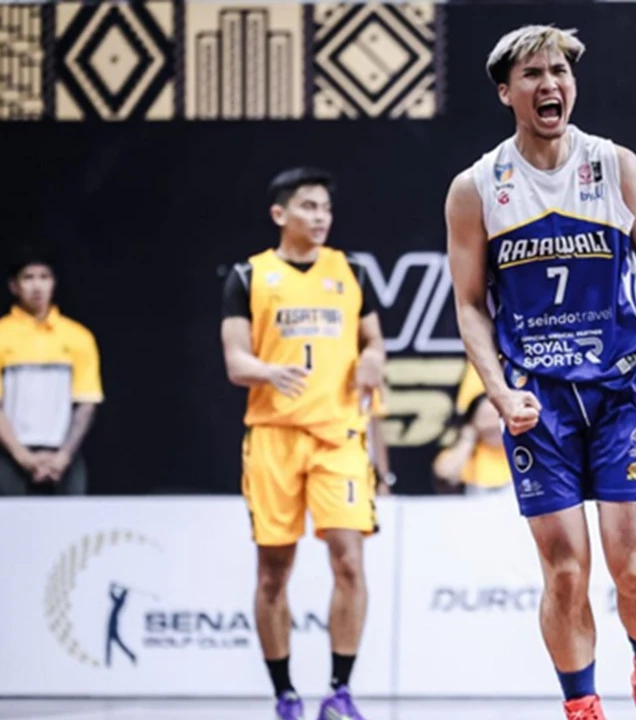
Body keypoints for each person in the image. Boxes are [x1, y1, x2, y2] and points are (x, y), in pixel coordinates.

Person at [444, 25, 636, 720]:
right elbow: (468, 304)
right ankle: (582, 708)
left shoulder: (614, 165)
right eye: (533, 75)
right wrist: (498, 392)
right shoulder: (476, 188)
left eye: (560, 72)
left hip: (618, 391)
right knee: (565, 571)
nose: (551, 84)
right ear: (506, 92)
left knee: (631, 570)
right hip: (538, 402)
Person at [220, 167, 385, 720]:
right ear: (280, 214)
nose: (320, 217)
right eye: (309, 207)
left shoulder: (350, 270)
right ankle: (285, 694)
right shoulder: (249, 276)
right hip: (273, 437)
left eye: (325, 208)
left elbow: (374, 341)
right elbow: (235, 360)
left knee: (349, 562)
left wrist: (371, 359)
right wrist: (267, 371)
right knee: (273, 570)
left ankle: (339, 692)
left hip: (339, 436)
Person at [0, 247, 102, 496]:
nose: (37, 286)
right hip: (10, 457)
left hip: (64, 458)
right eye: (28, 278)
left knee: (71, 521)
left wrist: (63, 456)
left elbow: (86, 403)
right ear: (14, 286)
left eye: (44, 277)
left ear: (54, 283)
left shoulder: (79, 337)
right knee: (10, 521)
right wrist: (23, 457)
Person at [432, 393, 514, 495]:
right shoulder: (464, 452)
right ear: (472, 420)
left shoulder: (520, 449)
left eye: (498, 417)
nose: (493, 424)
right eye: (486, 418)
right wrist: (467, 438)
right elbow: (445, 476)